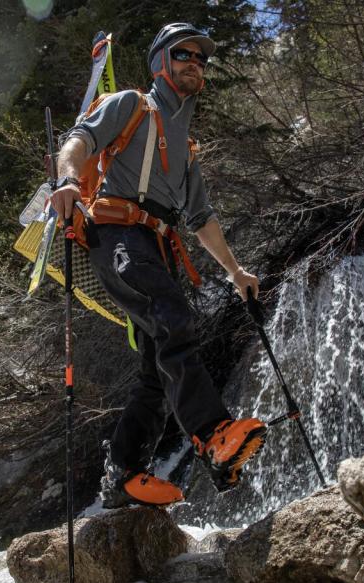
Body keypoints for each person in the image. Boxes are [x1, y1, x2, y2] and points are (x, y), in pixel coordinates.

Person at [50, 23, 267, 508]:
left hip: (157, 244)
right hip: (116, 233)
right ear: (160, 63)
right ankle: (214, 436)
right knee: (170, 314)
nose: (196, 62)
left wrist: (235, 271)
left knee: (155, 367)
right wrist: (66, 180)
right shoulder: (131, 103)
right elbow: (80, 139)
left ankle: (124, 475)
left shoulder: (186, 146)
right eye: (184, 53)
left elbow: (202, 218)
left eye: (201, 58)